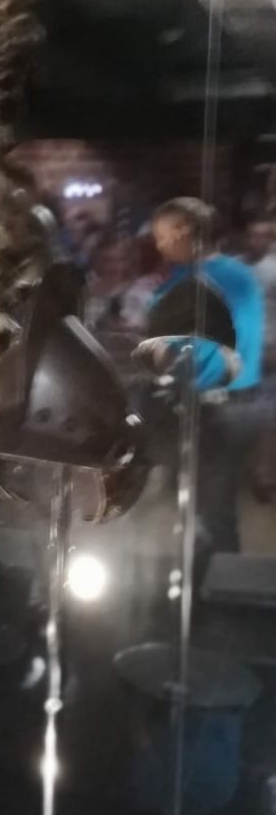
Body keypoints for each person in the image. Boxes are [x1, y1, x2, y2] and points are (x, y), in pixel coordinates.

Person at [146, 197, 265, 558]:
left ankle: (213, 585)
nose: (159, 245)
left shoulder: (185, 282)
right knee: (212, 510)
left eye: (163, 235)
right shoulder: (242, 274)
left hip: (211, 412)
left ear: (184, 231)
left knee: (211, 518)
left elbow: (167, 351)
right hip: (245, 406)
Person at [242, 218, 276, 498]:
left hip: (268, 347)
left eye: (264, 236)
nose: (257, 241)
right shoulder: (237, 268)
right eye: (253, 235)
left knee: (267, 415)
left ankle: (263, 474)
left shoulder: (273, 270)